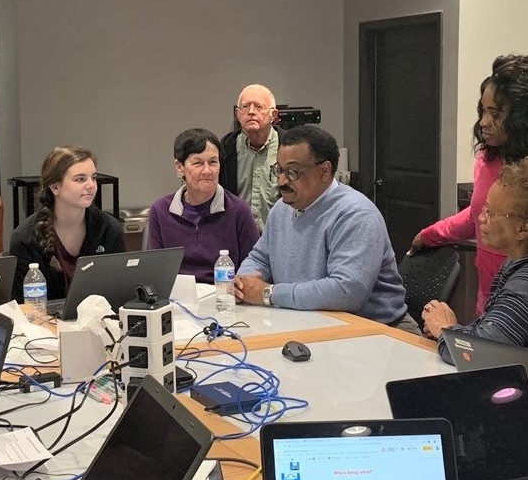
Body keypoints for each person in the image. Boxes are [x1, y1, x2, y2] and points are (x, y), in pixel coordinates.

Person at [410, 55, 528, 315]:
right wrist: (431, 234)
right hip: (490, 296)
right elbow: (478, 213)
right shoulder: (487, 159)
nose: (483, 122)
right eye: (483, 111)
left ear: (527, 118)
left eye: (495, 114)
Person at [234, 124, 414, 329]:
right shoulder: (282, 209)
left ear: (324, 171)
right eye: (279, 170)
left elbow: (346, 292)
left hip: (377, 330)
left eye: (293, 172)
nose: (281, 181)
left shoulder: (356, 215)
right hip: (307, 323)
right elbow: (260, 258)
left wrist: (268, 293)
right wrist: (244, 283)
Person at [422, 156, 528, 362]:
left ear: (524, 228)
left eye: (492, 212)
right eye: (485, 207)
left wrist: (445, 329)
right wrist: (453, 333)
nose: (482, 218)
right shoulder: (519, 260)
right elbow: (491, 332)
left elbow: (481, 354)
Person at [8, 146, 125, 302]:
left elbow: (121, 289)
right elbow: (22, 306)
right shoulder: (25, 237)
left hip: (100, 321)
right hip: (46, 323)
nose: (91, 185)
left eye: (94, 177)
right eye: (80, 179)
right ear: (55, 187)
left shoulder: (110, 228)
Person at [147, 128, 259, 284]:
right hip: (177, 298)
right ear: (180, 168)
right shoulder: (160, 211)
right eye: (198, 163)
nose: (207, 171)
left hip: (223, 297)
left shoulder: (238, 210)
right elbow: (155, 271)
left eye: (213, 162)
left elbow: (254, 266)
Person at [218, 84, 281, 228]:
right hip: (238, 238)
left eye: (259, 106)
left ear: (274, 115)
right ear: (237, 114)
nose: (251, 112)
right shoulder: (226, 149)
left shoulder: (288, 148)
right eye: (245, 106)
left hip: (280, 237)